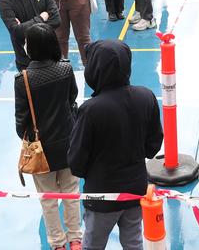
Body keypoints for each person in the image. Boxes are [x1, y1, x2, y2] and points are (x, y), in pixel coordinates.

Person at [68, 39, 163, 249]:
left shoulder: (90, 110)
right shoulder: (146, 97)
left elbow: (76, 162)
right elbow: (153, 146)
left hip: (101, 196)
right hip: (135, 190)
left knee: (93, 245)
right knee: (133, 243)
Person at [13, 23, 82, 250]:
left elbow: (21, 119)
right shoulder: (65, 69)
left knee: (48, 198)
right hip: (68, 141)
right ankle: (76, 239)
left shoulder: (23, 79)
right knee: (71, 191)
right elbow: (72, 97)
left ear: (30, 48)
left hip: (42, 148)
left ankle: (57, 243)